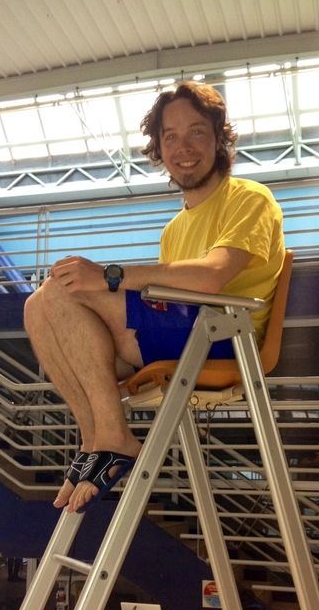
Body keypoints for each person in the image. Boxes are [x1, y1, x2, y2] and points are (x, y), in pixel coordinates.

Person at [23, 81, 285, 514]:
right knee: (38, 307)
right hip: (182, 330)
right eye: (171, 137)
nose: (184, 147)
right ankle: (93, 438)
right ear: (159, 149)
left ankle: (115, 437)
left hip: (224, 335)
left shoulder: (250, 198)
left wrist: (108, 276)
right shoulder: (173, 230)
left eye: (196, 132)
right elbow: (166, 294)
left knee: (60, 293)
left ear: (218, 138)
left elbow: (212, 276)